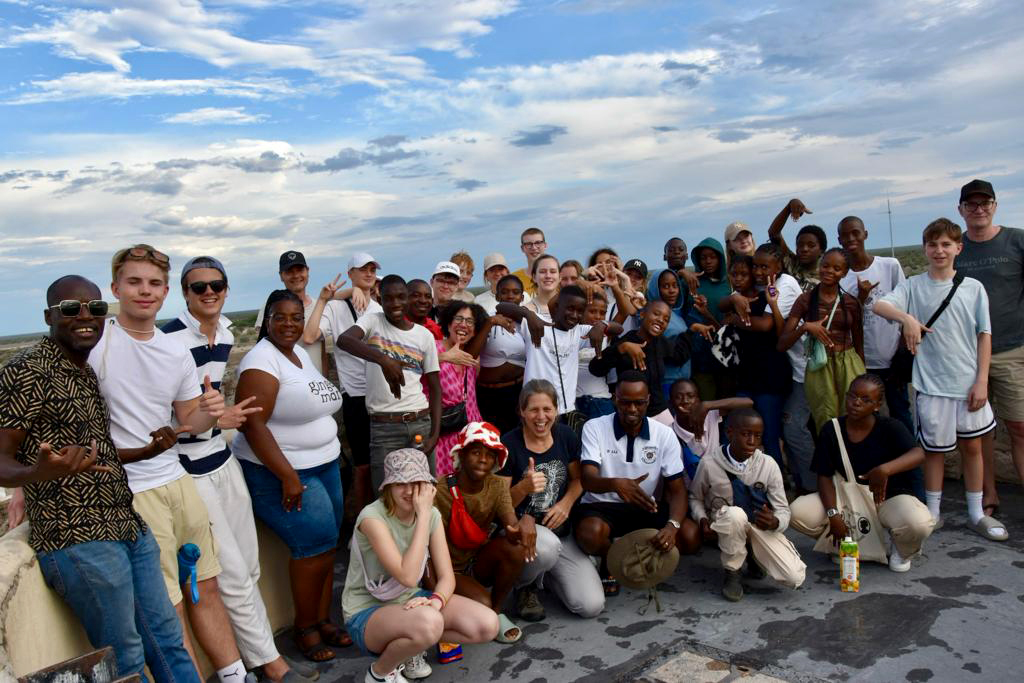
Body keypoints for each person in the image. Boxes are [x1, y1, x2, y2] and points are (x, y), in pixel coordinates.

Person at [0, 275, 198, 683]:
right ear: (49, 316)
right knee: (125, 658)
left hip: (126, 526)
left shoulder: (83, 369)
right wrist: (34, 473)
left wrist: (145, 452)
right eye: (71, 309)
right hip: (78, 539)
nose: (85, 316)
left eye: (95, 308)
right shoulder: (27, 372)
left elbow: (92, 455)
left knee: (166, 638)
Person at [88, 245, 249, 681]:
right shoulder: (96, 343)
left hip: (177, 478)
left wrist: (210, 410)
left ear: (165, 292)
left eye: (154, 283)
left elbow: (188, 421)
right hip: (132, 490)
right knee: (168, 602)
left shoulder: (172, 348)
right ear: (115, 287)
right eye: (135, 282)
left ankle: (235, 675)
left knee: (206, 585)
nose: (145, 291)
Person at [162, 259, 311, 682]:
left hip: (221, 459)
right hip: (189, 467)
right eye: (198, 287)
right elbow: (164, 418)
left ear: (226, 290)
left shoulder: (225, 332)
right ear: (185, 293)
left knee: (249, 566)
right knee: (228, 572)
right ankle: (273, 666)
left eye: (216, 285)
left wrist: (217, 419)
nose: (208, 293)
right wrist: (215, 419)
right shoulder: (169, 339)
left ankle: (250, 656)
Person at [233, 290, 349, 662]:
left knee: (329, 544)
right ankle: (305, 628)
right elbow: (252, 423)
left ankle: (322, 617)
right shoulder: (260, 362)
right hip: (284, 472)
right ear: (266, 320)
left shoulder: (297, 353)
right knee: (312, 545)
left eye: (295, 318)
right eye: (280, 317)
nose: (288, 324)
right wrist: (287, 475)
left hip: (324, 463)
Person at [875, 218, 1005, 541]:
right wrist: (906, 318)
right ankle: (932, 513)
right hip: (931, 386)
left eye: (946, 244)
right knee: (934, 451)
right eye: (933, 245)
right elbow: (879, 304)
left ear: (958, 248)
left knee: (972, 447)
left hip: (967, 383)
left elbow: (984, 336)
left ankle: (976, 513)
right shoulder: (914, 286)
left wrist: (981, 381)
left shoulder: (973, 288)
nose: (939, 250)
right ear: (925, 248)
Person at [343, 448, 498, 683]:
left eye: (416, 483)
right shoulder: (372, 518)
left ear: (427, 487)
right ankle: (379, 673)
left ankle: (411, 646)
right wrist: (423, 516)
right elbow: (407, 575)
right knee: (429, 623)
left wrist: (435, 602)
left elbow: (447, 577)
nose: (408, 491)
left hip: (412, 602)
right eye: (399, 483)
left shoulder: (431, 514)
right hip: (366, 612)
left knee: (487, 624)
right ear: (388, 487)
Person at [790, 374, 935, 572]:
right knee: (797, 512)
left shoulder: (890, 427)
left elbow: (919, 454)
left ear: (877, 405)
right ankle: (841, 543)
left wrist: (885, 469)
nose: (856, 403)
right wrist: (833, 515)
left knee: (919, 523)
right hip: (847, 499)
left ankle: (902, 550)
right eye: (852, 396)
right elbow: (823, 476)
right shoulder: (832, 429)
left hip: (886, 497)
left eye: (866, 400)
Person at [574, 372, 701, 597]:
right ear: (615, 399)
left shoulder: (663, 434)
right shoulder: (594, 427)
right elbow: (588, 479)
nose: (632, 409)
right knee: (590, 535)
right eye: (625, 402)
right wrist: (616, 484)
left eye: (639, 403)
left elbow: (678, 490)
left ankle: (632, 548)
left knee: (689, 537)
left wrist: (672, 526)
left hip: (643, 505)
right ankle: (610, 558)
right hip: (601, 506)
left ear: (648, 401)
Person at [433, 422, 546, 644]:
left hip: (475, 563)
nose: (483, 459)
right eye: (476, 452)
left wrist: (523, 524)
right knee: (481, 603)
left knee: (516, 549)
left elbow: (511, 527)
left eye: (490, 455)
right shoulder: (440, 490)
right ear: (461, 455)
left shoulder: (497, 486)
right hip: (446, 570)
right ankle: (485, 611)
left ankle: (496, 610)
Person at [500, 380, 603, 618]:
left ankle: (547, 578)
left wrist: (566, 503)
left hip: (561, 532)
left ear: (556, 410)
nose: (541, 417)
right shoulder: (509, 444)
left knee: (591, 606)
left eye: (547, 409)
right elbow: (501, 504)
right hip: (522, 533)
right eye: (534, 409)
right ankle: (524, 586)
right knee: (547, 548)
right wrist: (524, 487)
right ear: (521, 412)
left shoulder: (565, 435)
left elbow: (579, 480)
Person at [954, 179, 1024, 519]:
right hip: (968, 353)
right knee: (980, 431)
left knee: (1019, 426)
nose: (978, 209)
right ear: (961, 210)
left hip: (1013, 348)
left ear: (995, 206)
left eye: (985, 203)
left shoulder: (1016, 240)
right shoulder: (955, 248)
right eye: (971, 205)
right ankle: (988, 492)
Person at [689, 408, 806, 601]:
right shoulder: (709, 463)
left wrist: (775, 522)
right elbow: (695, 498)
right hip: (724, 525)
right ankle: (733, 572)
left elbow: (783, 509)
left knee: (794, 577)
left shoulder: (768, 465)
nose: (752, 441)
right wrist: (701, 518)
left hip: (757, 528)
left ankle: (753, 555)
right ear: (729, 433)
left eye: (757, 435)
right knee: (735, 515)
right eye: (745, 434)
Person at [337, 275, 442, 489]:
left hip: (419, 422)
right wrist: (384, 360)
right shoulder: (373, 321)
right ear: (380, 299)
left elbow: (435, 387)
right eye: (389, 298)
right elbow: (344, 340)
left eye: (401, 297)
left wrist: (435, 434)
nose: (395, 303)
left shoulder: (423, 336)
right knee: (384, 495)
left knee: (425, 490)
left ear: (408, 299)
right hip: (384, 427)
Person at [304, 252, 383, 515]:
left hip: (381, 393)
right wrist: (327, 298)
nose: (369, 273)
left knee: (383, 462)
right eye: (363, 269)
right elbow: (310, 335)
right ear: (350, 273)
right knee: (362, 465)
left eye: (372, 269)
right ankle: (364, 522)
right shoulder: (336, 307)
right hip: (356, 396)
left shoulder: (378, 309)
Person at [837, 217, 913, 436]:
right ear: (839, 239)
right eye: (845, 235)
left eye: (855, 233)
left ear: (865, 234)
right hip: (862, 361)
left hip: (891, 358)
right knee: (869, 418)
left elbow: (906, 308)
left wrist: (901, 352)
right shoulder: (842, 277)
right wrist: (860, 299)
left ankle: (911, 465)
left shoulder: (889, 266)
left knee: (900, 411)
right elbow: (845, 321)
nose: (851, 238)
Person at [777, 248, 865, 434]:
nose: (829, 271)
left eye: (836, 268)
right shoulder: (805, 301)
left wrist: (863, 376)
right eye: (825, 266)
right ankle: (832, 460)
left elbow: (859, 343)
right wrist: (805, 327)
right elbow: (782, 343)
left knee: (854, 416)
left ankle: (852, 461)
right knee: (825, 421)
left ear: (844, 273)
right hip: (819, 366)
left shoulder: (850, 302)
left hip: (849, 363)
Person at [497, 285, 618, 417]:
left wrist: (602, 324)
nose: (574, 315)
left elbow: (618, 329)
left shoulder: (579, 332)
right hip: (536, 411)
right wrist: (528, 314)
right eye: (570, 309)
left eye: (580, 311)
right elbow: (501, 307)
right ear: (556, 307)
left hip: (567, 412)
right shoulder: (537, 324)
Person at [726, 245, 791, 468]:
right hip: (747, 375)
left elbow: (767, 325)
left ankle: (778, 485)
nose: (757, 271)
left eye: (762, 267)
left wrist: (736, 320)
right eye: (755, 267)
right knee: (740, 428)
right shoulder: (742, 295)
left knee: (770, 435)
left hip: (770, 375)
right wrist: (735, 298)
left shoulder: (770, 294)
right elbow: (721, 304)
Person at [589, 300, 692, 425]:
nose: (661, 320)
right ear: (642, 315)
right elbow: (595, 368)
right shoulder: (626, 342)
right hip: (632, 414)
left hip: (659, 411)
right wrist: (621, 348)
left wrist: (691, 331)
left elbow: (679, 356)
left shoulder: (660, 342)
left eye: (666, 319)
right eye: (656, 314)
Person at [431, 301, 487, 477]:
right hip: (442, 436)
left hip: (471, 434)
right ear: (448, 323)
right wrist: (444, 357)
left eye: (470, 322)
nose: (464, 325)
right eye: (459, 319)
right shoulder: (433, 347)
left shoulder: (472, 358)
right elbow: (410, 368)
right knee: (443, 491)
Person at [471, 275, 527, 434]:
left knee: (517, 440)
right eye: (505, 292)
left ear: (522, 297)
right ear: (497, 295)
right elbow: (471, 355)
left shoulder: (526, 322)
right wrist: (490, 323)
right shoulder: (485, 318)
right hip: (488, 394)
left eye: (515, 292)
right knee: (492, 441)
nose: (510, 296)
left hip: (517, 391)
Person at [255, 251, 328, 374]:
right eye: (289, 272)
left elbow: (322, 350)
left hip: (316, 383)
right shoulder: (272, 306)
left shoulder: (319, 306)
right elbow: (263, 348)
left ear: (307, 271)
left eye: (300, 270)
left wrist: (325, 380)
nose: (295, 275)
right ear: (281, 276)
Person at [669, 378, 753, 482]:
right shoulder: (669, 433)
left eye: (690, 396)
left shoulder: (710, 415)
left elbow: (748, 403)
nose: (685, 401)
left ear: (698, 400)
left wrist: (708, 405)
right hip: (691, 489)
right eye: (678, 397)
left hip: (718, 483)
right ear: (671, 402)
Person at [689, 238, 730, 400]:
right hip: (700, 351)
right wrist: (683, 272)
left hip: (726, 348)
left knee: (726, 399)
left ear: (720, 258)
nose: (708, 261)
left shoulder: (730, 283)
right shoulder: (693, 283)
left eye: (712, 257)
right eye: (703, 257)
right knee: (706, 400)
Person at [767, 198, 826, 292]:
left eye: (811, 245)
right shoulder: (792, 263)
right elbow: (774, 233)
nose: (804, 249)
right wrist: (789, 206)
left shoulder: (827, 273)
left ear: (821, 250)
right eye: (800, 245)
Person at [575, 289, 615, 420]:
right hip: (573, 404)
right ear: (581, 312)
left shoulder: (606, 335)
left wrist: (603, 325)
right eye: (592, 311)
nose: (598, 316)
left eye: (603, 313)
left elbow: (624, 315)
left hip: (600, 401)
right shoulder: (571, 333)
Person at [512, 227, 547, 297]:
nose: (534, 247)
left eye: (538, 243)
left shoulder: (557, 276)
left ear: (545, 245)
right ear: (522, 248)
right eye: (528, 244)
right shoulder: (514, 279)